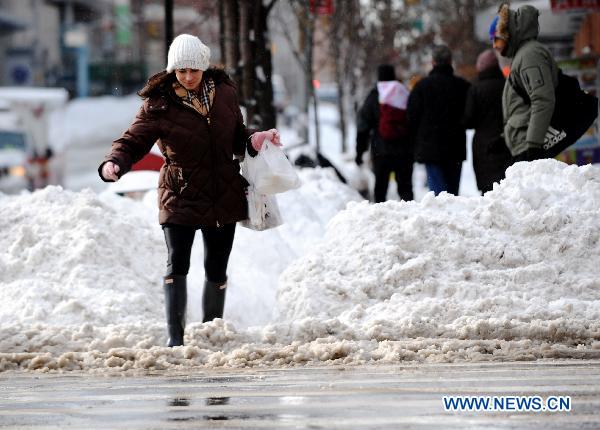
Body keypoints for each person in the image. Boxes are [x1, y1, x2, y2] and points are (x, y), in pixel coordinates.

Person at [98, 34, 280, 347]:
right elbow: (132, 141)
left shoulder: (224, 93)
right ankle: (175, 339)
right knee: (177, 263)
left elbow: (236, 137)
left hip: (222, 191)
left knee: (216, 267)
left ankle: (210, 333)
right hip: (179, 192)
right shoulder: (158, 104)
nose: (187, 76)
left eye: (193, 70)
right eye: (181, 70)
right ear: (172, 70)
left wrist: (254, 138)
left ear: (203, 68)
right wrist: (114, 162)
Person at [490, 2, 559, 162]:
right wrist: (505, 137)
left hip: (529, 144)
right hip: (524, 141)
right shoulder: (523, 55)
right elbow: (521, 104)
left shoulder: (530, 55)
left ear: (509, 34)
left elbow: (542, 100)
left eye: (497, 40)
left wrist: (533, 144)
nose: (495, 46)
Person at [407, 45, 470, 196]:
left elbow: (411, 117)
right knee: (453, 194)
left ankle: (440, 218)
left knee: (437, 194)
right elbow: (470, 115)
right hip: (455, 147)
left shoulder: (421, 87)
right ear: (450, 61)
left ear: (433, 62)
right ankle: (453, 218)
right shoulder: (463, 86)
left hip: (431, 149)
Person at [355, 64, 413, 202]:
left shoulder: (375, 95)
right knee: (405, 189)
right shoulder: (404, 93)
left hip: (381, 150)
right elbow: (413, 120)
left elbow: (363, 126)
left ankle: (380, 218)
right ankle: (411, 218)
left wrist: (359, 151)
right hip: (403, 150)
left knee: (380, 188)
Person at [463, 49, 513, 194]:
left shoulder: (476, 89)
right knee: (506, 185)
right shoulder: (507, 85)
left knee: (488, 188)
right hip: (507, 139)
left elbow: (468, 120)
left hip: (483, 145)